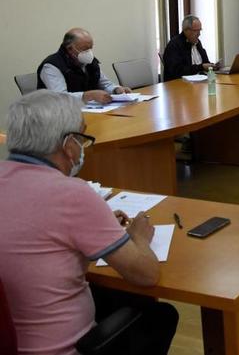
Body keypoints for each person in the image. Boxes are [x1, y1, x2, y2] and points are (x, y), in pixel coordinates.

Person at [0, 90, 178, 354]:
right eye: (81, 138)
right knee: (161, 314)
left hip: (11, 342)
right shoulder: (71, 194)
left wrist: (98, 221)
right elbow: (146, 275)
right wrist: (138, 235)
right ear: (68, 144)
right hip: (64, 348)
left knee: (113, 295)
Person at [37, 28, 130, 104]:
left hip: (88, 111)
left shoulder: (89, 61)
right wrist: (88, 95)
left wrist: (116, 89)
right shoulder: (51, 66)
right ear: (69, 49)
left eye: (90, 48)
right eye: (85, 49)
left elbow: (105, 83)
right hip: (56, 117)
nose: (89, 53)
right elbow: (60, 97)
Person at [163, 15, 218, 81]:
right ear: (186, 30)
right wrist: (201, 67)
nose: (199, 34)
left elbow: (205, 62)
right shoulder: (174, 45)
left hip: (200, 82)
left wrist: (212, 66)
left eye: (200, 30)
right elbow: (177, 71)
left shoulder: (197, 42)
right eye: (196, 31)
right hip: (179, 85)